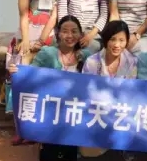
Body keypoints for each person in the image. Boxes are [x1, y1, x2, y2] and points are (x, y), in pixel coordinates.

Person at [7, 16, 89, 145]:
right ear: (58, 34)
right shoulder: (48, 53)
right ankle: (29, 131)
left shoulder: (87, 56)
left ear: (81, 35)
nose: (69, 35)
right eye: (65, 31)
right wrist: (18, 73)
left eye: (74, 31)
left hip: (74, 113)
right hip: (51, 111)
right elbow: (31, 75)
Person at [81, 20, 138, 161]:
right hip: (98, 110)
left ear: (127, 41)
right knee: (86, 152)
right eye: (113, 39)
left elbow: (131, 92)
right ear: (106, 40)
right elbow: (86, 91)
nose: (117, 45)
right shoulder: (92, 62)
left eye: (121, 40)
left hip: (122, 109)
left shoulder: (132, 62)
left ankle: (125, 145)